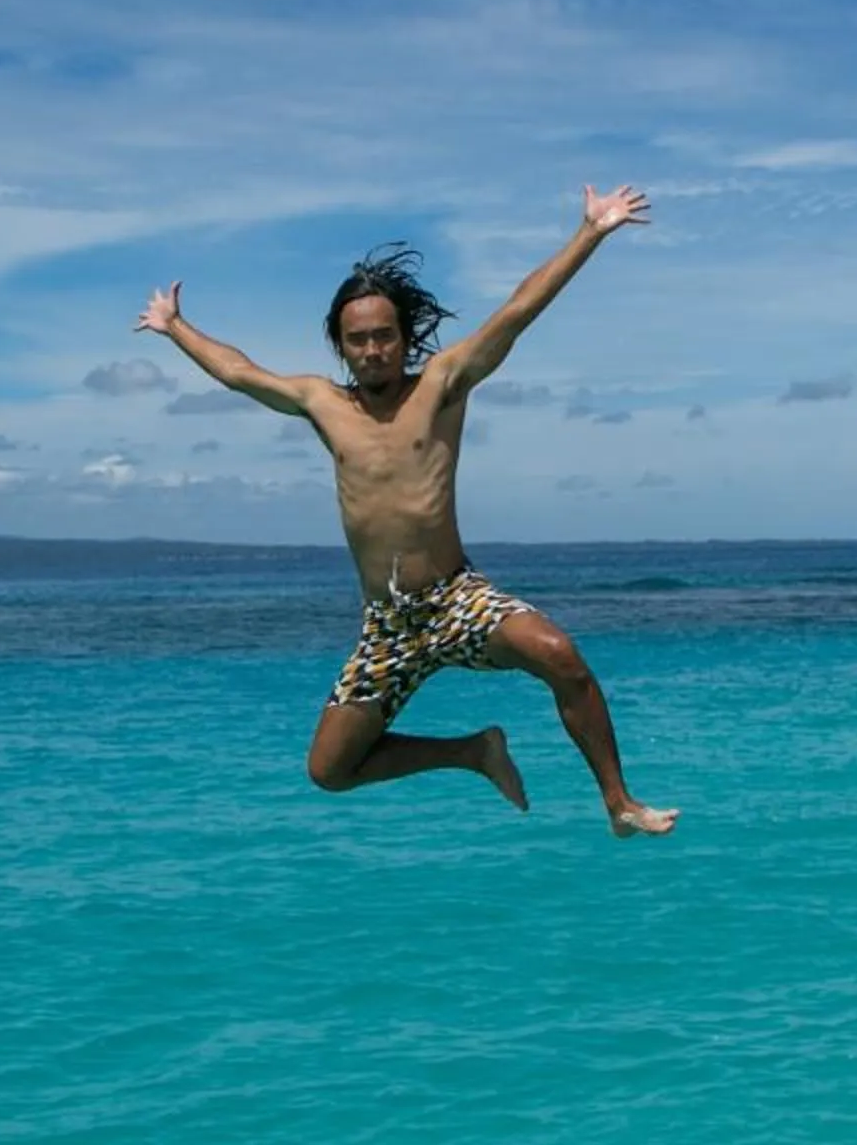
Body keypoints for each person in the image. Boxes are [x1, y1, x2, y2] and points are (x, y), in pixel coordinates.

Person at [135, 185, 678, 837]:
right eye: (358, 340)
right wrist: (175, 328)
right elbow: (238, 371)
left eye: (384, 338)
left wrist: (590, 232)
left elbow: (517, 310)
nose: (372, 351)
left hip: (456, 598)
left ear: (404, 338)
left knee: (560, 655)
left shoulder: (443, 386)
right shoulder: (321, 403)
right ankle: (473, 752)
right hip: (388, 625)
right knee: (330, 770)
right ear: (340, 345)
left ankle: (618, 802)